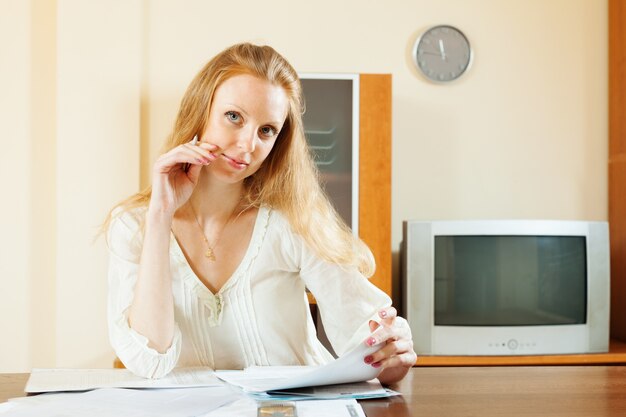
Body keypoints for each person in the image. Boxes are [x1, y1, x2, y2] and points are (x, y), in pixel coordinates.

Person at [104, 42, 416, 383]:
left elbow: (369, 340)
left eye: (266, 130)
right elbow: (150, 360)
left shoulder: (293, 219)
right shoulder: (132, 225)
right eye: (234, 117)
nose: (248, 145)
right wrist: (160, 215)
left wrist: (392, 354)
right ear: (200, 109)